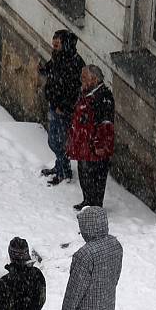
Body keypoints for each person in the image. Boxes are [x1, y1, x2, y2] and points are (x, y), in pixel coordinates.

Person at [38, 29, 85, 186]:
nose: (54, 47)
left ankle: (64, 171)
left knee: (58, 141)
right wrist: (43, 70)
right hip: (54, 105)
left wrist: (63, 106)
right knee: (55, 139)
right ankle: (60, 167)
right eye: (53, 44)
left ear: (65, 45)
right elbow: (51, 68)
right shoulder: (59, 57)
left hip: (63, 110)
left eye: (57, 44)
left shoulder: (74, 63)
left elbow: (74, 89)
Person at [67, 65, 115, 210]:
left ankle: (95, 206)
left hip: (95, 147)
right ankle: (87, 201)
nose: (81, 81)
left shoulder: (103, 97)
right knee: (84, 174)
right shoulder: (86, 93)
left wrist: (99, 145)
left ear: (94, 79)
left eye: (84, 78)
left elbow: (105, 124)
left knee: (96, 178)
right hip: (84, 145)